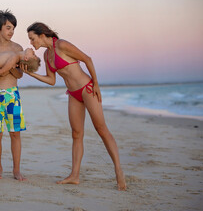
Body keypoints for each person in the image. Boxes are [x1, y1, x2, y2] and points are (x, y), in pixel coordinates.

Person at [22, 22, 126, 190]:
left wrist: (97, 84)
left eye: (32, 39)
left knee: (101, 129)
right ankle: (74, 175)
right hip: (73, 94)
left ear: (42, 35)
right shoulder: (48, 55)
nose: (31, 43)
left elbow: (87, 59)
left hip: (87, 89)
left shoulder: (61, 45)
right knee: (76, 134)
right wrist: (31, 74)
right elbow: (52, 80)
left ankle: (119, 171)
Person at [0, 10, 28, 181]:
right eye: (8, 28)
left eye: (13, 28)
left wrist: (8, 67)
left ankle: (16, 170)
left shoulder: (17, 49)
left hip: (12, 95)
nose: (11, 32)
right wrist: (0, 72)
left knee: (15, 133)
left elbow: (19, 75)